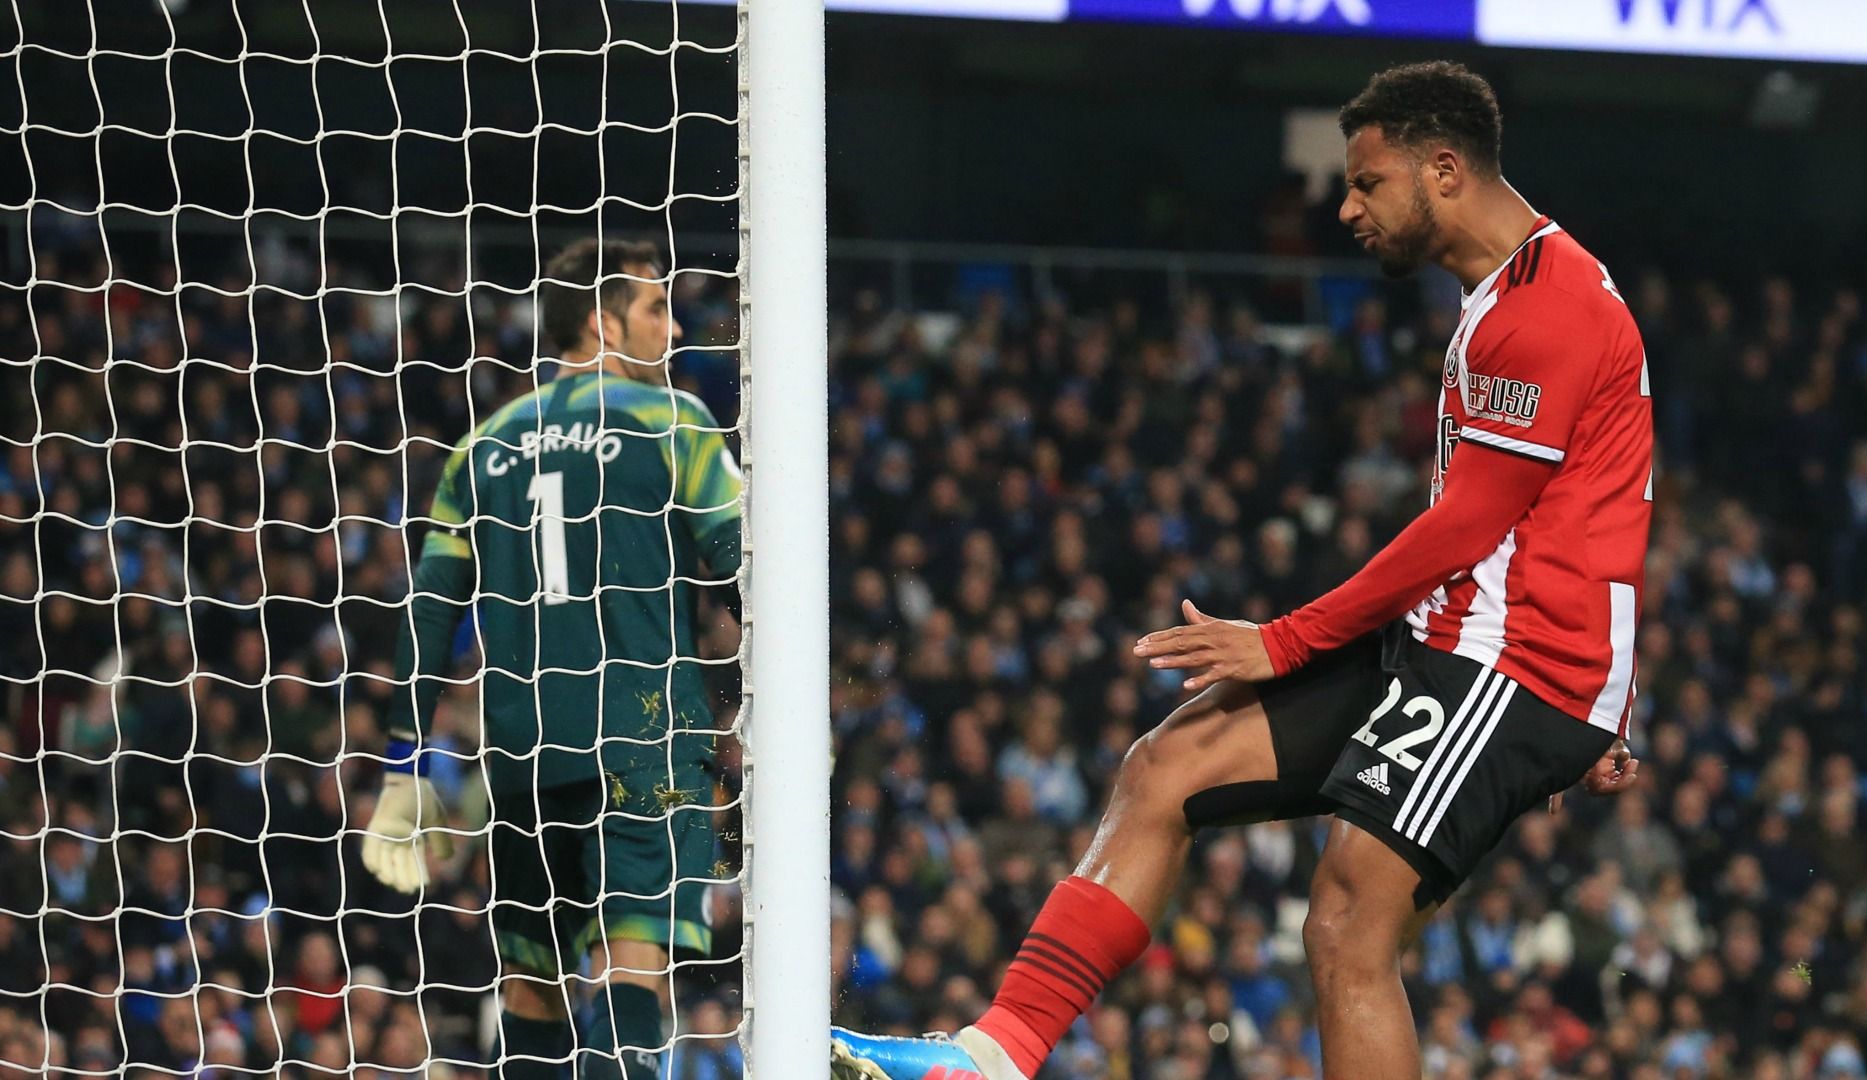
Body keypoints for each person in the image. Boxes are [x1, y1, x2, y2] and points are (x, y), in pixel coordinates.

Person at [831, 61, 1647, 1080]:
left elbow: (1469, 525)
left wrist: (1287, 639)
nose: (1345, 207)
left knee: (1348, 916)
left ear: (1444, 169)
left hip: (1514, 662)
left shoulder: (1548, 306)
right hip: (1456, 647)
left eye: (1366, 183)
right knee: (1164, 768)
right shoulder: (1509, 295)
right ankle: (991, 1059)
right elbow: (1600, 503)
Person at [361, 236, 742, 1080]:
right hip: (645, 745)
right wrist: (775, 707)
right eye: (655, 310)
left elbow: (429, 610)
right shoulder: (672, 421)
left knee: (532, 984)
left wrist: (402, 763)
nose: (675, 328)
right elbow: (741, 563)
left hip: (526, 755)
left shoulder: (483, 446)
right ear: (602, 323)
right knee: (634, 974)